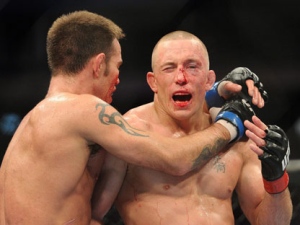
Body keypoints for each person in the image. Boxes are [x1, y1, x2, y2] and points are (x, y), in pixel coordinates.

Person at [0, 11, 264, 225]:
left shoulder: (42, 118)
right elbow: (174, 159)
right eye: (118, 66)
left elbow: (92, 211)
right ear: (98, 64)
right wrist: (230, 123)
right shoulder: (84, 110)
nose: (118, 78)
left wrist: (212, 91)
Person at [91, 31, 292, 224]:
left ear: (209, 80)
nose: (181, 78)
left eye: (192, 67)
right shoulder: (127, 133)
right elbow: (92, 215)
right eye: (169, 68)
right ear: (153, 82)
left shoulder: (238, 141)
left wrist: (276, 179)